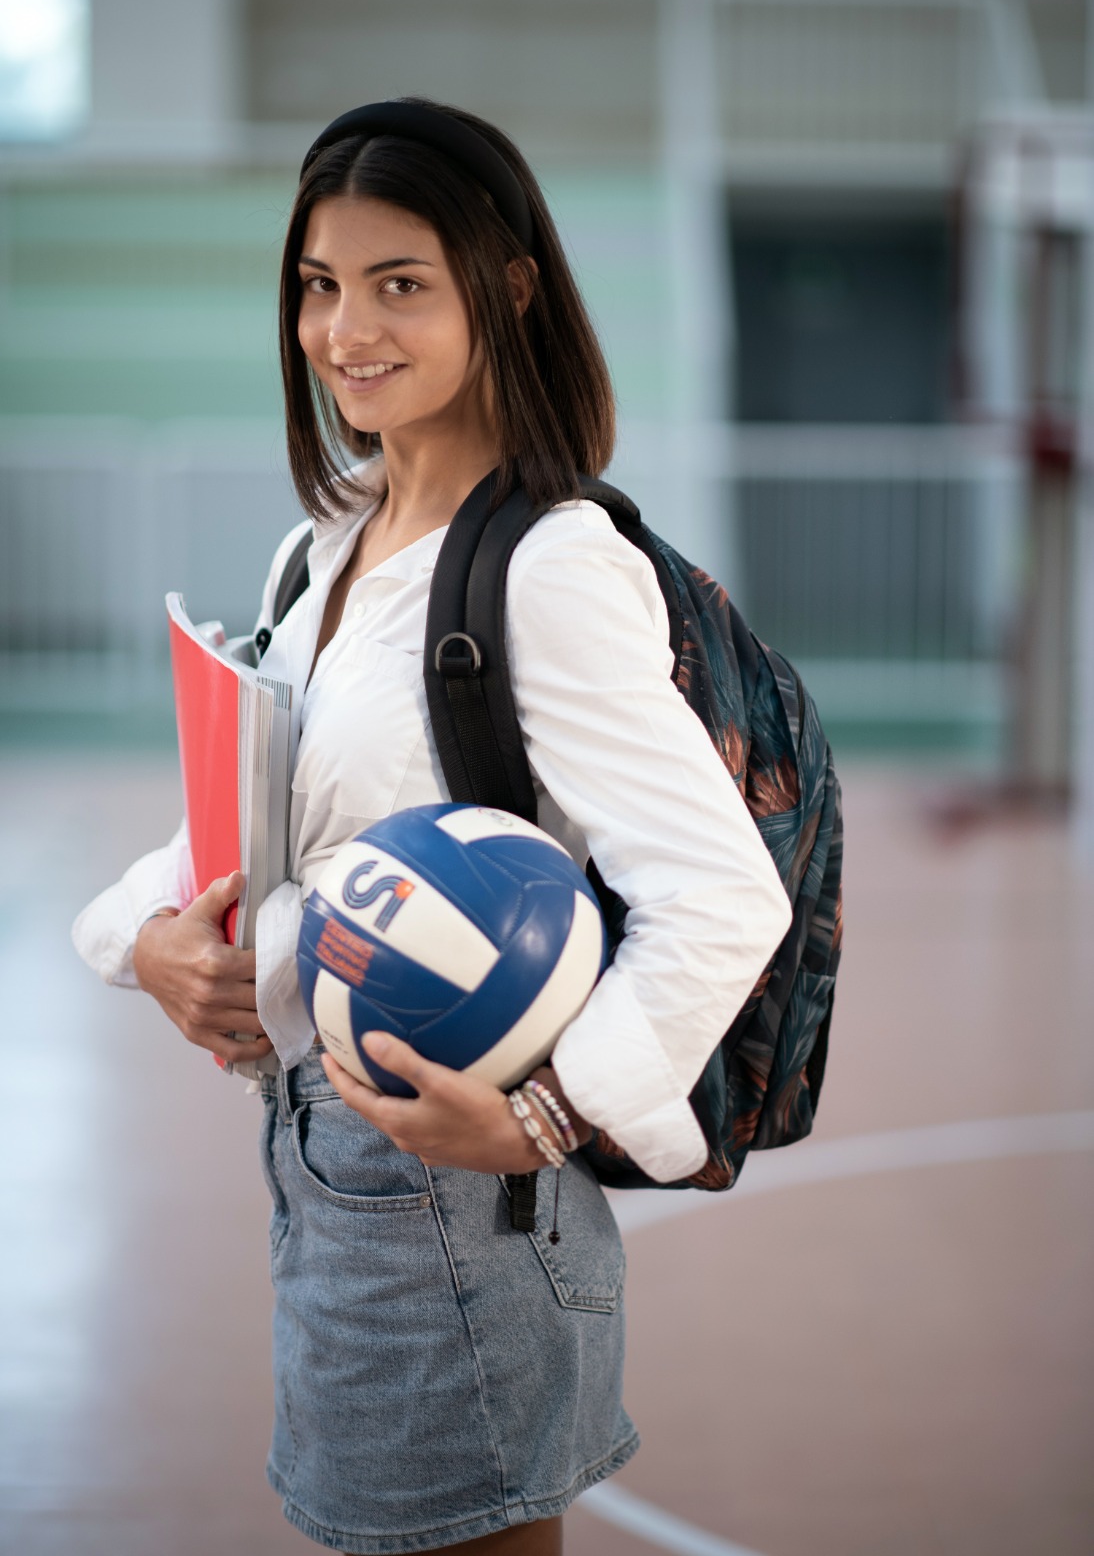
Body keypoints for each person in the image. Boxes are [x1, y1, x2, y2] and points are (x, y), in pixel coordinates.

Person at [72, 98, 792, 1555]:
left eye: (400, 283)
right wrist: (141, 943)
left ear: (505, 287)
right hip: (320, 1157)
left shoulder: (547, 567)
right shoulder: (320, 546)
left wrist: (544, 1117)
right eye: (319, 284)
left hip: (453, 1197)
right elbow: (259, 814)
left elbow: (721, 893)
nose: (346, 328)